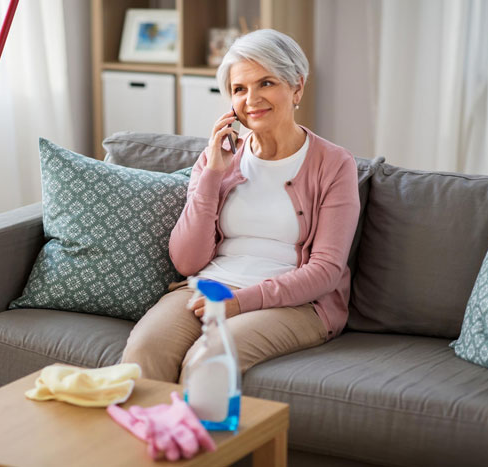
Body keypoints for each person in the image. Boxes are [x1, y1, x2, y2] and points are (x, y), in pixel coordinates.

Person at [121, 29, 360, 383]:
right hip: (208, 288)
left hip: (295, 304)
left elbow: (325, 272)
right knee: (143, 352)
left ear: (297, 87)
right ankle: (150, 438)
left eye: (266, 83)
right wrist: (212, 175)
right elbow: (186, 261)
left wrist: (238, 303)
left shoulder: (334, 164)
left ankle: (196, 439)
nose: (251, 99)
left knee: (207, 362)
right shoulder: (216, 161)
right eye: (239, 89)